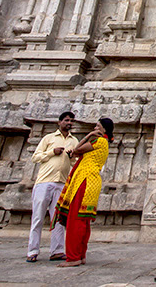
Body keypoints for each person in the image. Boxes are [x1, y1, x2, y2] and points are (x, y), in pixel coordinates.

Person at [52, 117, 114, 267]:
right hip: (90, 181)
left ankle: (74, 257)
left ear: (104, 129)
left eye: (97, 126)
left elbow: (75, 151)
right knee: (82, 220)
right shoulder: (102, 142)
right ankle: (80, 255)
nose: (95, 128)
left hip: (84, 180)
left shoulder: (98, 141)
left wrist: (88, 135)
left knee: (75, 219)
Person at [26, 111, 78, 262]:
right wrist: (51, 152)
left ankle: (57, 250)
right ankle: (32, 251)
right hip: (44, 182)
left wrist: (71, 157)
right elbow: (36, 157)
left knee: (58, 219)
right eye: (67, 120)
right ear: (59, 122)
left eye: (71, 121)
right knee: (37, 218)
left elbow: (75, 162)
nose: (69, 123)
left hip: (62, 183)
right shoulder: (48, 138)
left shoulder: (74, 141)